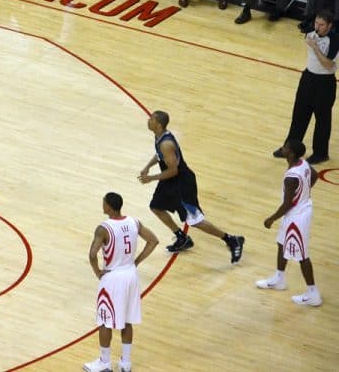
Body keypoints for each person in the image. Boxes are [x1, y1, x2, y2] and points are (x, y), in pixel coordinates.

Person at [138, 110, 245, 261]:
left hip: (181, 184)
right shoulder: (159, 137)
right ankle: (182, 238)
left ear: (159, 124)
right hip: (170, 181)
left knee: (195, 221)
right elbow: (159, 154)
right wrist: (148, 166)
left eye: (152, 119)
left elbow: (173, 170)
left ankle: (231, 240)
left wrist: (151, 178)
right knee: (156, 206)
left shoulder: (166, 144)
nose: (148, 120)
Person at [83, 192, 159, 372]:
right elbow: (153, 240)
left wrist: (98, 273)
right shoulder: (134, 222)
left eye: (103, 202)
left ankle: (104, 362)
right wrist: (136, 262)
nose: (102, 205)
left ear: (109, 206)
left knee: (105, 321)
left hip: (113, 277)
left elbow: (92, 254)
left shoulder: (103, 228)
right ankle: (125, 363)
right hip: (130, 275)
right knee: (126, 320)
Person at [256, 139, 322, 307]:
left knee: (302, 256)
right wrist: (305, 192)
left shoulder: (291, 177)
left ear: (291, 153)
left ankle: (313, 293)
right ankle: (279, 278)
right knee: (281, 243)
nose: (282, 148)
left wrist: (270, 219)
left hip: (297, 216)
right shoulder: (303, 163)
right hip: (301, 209)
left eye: (285, 147)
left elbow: (287, 205)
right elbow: (314, 175)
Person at [278, 12, 337, 166]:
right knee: (299, 114)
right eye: (317, 23)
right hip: (308, 77)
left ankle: (320, 153)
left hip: (325, 82)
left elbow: (328, 64)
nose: (317, 27)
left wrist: (316, 47)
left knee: (322, 120)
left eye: (321, 24)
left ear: (330, 26)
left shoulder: (335, 40)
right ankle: (289, 148)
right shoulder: (311, 31)